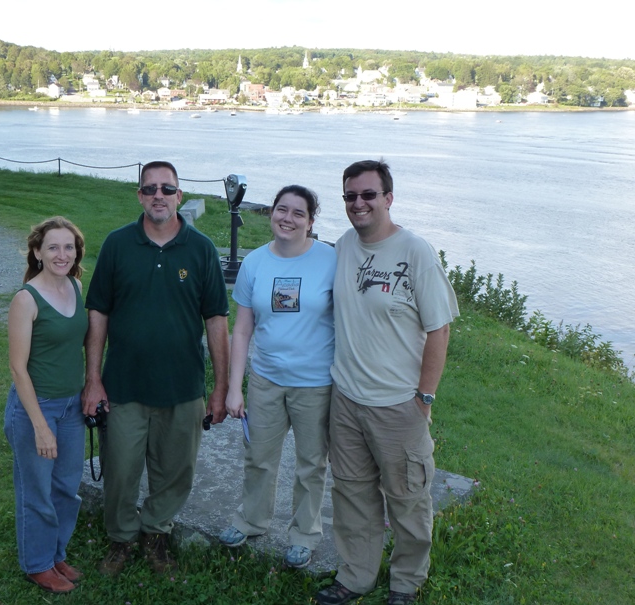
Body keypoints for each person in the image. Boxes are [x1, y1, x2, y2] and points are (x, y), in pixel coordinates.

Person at [316, 160, 459, 605]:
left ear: (388, 198)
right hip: (346, 401)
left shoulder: (415, 251)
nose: (358, 203)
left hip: (398, 405)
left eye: (368, 195)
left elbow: (439, 330)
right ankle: (356, 576)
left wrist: (424, 398)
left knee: (408, 500)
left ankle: (406, 581)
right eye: (350, 196)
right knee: (352, 495)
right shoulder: (341, 247)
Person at [82, 160, 230, 576]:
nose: (159, 196)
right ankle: (121, 538)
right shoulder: (116, 244)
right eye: (150, 189)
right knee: (120, 472)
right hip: (124, 385)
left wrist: (219, 389)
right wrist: (93, 380)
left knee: (176, 472)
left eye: (167, 189)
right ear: (139, 196)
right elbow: (99, 313)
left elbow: (217, 320)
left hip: (182, 387)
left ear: (179, 195)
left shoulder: (200, 250)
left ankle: (156, 532)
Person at [218, 185, 335, 569]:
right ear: (271, 214)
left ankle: (304, 534)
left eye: (298, 213)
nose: (287, 218)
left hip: (315, 383)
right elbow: (242, 330)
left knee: (311, 464)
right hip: (266, 378)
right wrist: (235, 388)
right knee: (259, 457)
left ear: (311, 221)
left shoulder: (330, 260)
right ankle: (252, 520)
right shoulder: (255, 263)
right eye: (281, 210)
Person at [4, 216, 89, 594]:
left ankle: (55, 554)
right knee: (35, 490)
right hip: (36, 407)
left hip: (72, 407)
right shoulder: (26, 299)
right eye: (53, 247)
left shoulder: (76, 285)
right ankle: (36, 564)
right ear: (37, 252)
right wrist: (39, 425)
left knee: (67, 487)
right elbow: (18, 369)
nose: (62, 254)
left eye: (68, 247)